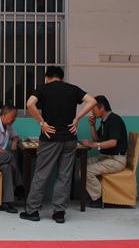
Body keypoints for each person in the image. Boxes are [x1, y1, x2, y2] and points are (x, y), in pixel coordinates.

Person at [22, 66, 96, 224]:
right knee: (64, 175)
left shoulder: (43, 89)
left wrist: (42, 122)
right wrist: (77, 119)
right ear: (62, 77)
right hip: (69, 139)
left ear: (47, 77)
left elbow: (29, 104)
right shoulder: (72, 89)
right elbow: (92, 101)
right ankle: (59, 213)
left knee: (42, 174)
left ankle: (32, 211)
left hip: (50, 138)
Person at [80, 95, 128, 208]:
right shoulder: (104, 121)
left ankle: (97, 198)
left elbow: (113, 142)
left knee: (86, 171)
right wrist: (92, 126)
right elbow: (96, 139)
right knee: (82, 165)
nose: (92, 112)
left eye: (93, 109)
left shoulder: (114, 120)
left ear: (102, 108)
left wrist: (93, 145)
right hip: (108, 157)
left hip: (117, 160)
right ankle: (92, 194)